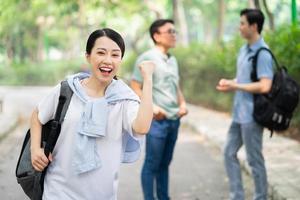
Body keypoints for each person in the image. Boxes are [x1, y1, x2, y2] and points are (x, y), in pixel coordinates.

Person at [30, 28, 155, 199]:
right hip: (58, 190)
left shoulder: (125, 99)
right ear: (88, 56)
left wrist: (148, 80)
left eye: (115, 55)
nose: (107, 60)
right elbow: (37, 115)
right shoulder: (67, 90)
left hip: (102, 194)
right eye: (101, 53)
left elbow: (141, 128)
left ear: (120, 60)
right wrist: (35, 149)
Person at [217, 9, 273, 200]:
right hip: (238, 114)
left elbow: (265, 85)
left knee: (254, 160)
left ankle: (261, 197)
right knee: (228, 153)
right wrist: (230, 83)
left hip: (252, 116)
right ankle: (237, 196)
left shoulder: (262, 53)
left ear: (254, 26)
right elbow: (244, 79)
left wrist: (236, 85)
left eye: (242, 23)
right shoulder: (243, 50)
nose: (239, 27)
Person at [130, 19, 188, 200]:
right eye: (169, 31)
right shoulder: (146, 58)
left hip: (174, 119)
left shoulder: (173, 60)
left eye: (174, 31)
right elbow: (134, 86)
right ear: (156, 36)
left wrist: (183, 103)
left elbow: (175, 85)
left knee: (164, 164)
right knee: (152, 164)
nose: (174, 35)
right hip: (157, 122)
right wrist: (153, 108)